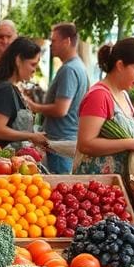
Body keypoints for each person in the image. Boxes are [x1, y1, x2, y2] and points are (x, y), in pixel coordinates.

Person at [74, 38, 134, 177]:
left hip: (119, 184)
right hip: (98, 186)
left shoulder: (123, 94)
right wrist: (131, 143)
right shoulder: (99, 96)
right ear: (120, 65)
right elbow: (86, 144)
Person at [24, 22, 89, 174]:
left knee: (61, 182)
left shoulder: (69, 69)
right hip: (66, 137)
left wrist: (34, 107)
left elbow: (61, 109)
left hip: (61, 140)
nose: (51, 45)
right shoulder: (78, 66)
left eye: (54, 41)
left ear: (67, 41)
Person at [0, 36, 47, 149]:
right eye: (33, 64)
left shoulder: (11, 87)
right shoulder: (5, 89)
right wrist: (31, 136)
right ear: (18, 60)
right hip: (1, 159)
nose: (35, 70)